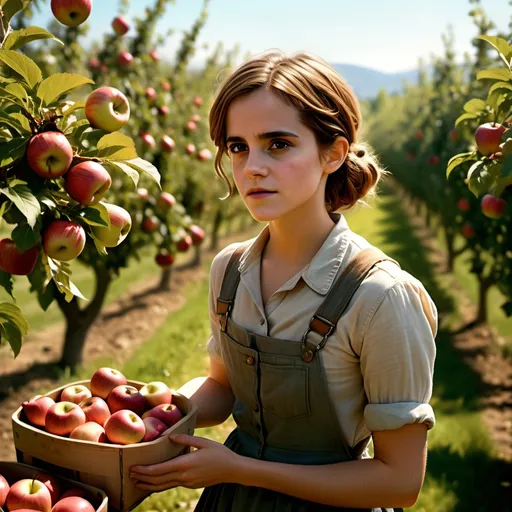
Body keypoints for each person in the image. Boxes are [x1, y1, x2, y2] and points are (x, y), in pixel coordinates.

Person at [129, 50, 438, 511]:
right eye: (238, 146)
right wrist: (156, 409)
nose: (253, 166)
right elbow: (222, 386)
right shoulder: (229, 271)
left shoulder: (381, 298)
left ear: (332, 153)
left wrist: (239, 469)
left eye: (278, 144)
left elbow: (399, 482)